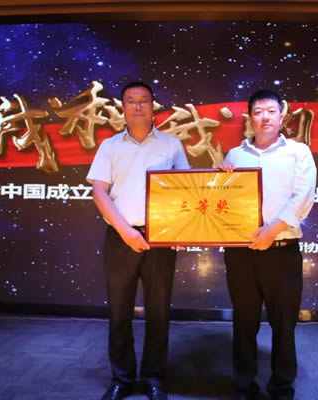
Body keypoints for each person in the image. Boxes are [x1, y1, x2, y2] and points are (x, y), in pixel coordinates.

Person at [87, 81, 189, 400]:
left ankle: (154, 378)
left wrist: (179, 230)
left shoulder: (172, 145)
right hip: (121, 237)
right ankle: (122, 378)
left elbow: (186, 191)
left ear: (153, 106)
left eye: (143, 100)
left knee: (158, 313)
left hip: (161, 239)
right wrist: (126, 231)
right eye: (131, 101)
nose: (137, 106)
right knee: (120, 313)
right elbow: (99, 192)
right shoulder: (110, 146)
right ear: (123, 108)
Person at [219, 89, 316, 400]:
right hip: (241, 252)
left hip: (282, 250)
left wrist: (271, 230)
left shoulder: (298, 152)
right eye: (258, 112)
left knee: (283, 323)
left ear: (281, 116)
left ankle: (281, 387)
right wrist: (220, 178)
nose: (265, 117)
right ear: (249, 117)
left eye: (271, 111)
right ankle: (243, 385)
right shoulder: (235, 155)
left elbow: (303, 196)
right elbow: (222, 200)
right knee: (244, 321)